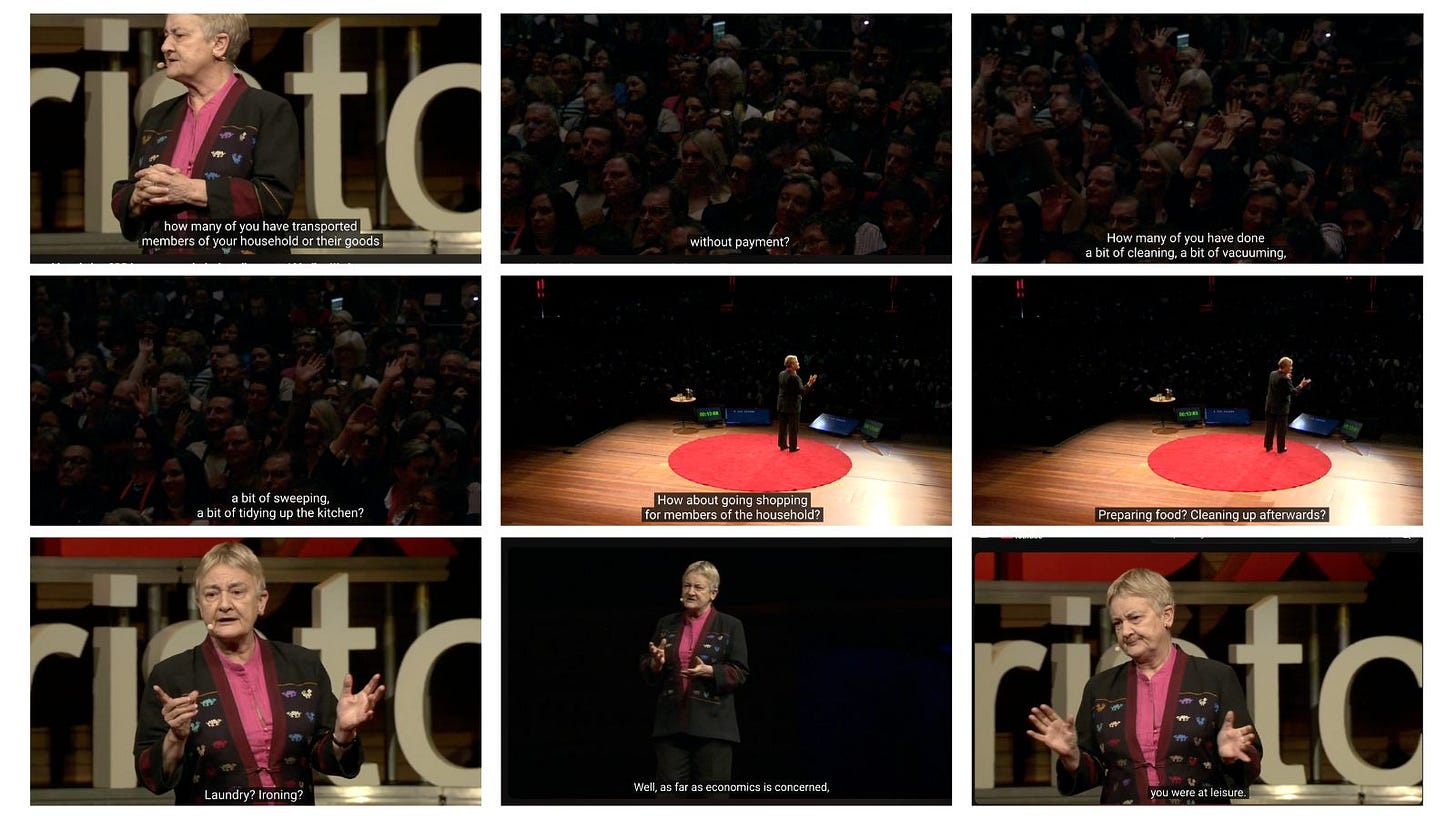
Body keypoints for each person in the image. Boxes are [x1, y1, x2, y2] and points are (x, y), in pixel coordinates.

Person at [134, 542, 385, 803]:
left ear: (261, 601)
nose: (224, 605)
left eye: (237, 592)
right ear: (200, 605)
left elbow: (328, 760)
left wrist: (343, 733)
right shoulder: (171, 676)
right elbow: (150, 777)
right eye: (211, 594)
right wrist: (175, 739)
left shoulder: (302, 666)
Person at [1026, 568, 1262, 805]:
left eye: (1135, 618)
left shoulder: (1216, 678)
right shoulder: (1100, 688)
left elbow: (1244, 774)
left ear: (1167, 616)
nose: (1126, 631)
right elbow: (1093, 770)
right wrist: (1072, 757)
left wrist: (1233, 758)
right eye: (1118, 623)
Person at [111, 15, 299, 253]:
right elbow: (127, 193)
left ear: (219, 44)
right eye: (166, 36)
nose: (165, 46)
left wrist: (189, 190)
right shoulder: (157, 117)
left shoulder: (267, 110)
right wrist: (137, 197)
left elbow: (274, 198)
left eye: (179, 35)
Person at [640, 560, 749, 786]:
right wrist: (656, 663)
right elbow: (647, 666)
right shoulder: (666, 623)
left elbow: (739, 672)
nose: (690, 592)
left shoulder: (730, 625)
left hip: (713, 728)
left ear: (713, 593)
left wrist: (709, 671)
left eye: (698, 587)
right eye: (686, 586)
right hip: (670, 725)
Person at [1264, 356, 1311, 453]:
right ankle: (1280, 448)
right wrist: (1301, 385)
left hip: (1270, 405)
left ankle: (1268, 446)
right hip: (1281, 408)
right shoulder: (1285, 379)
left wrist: (1286, 376)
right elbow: (1294, 392)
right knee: (1281, 430)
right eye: (1290, 366)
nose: (1291, 368)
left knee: (1269, 427)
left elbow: (1279, 384)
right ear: (1284, 366)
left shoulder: (1272, 374)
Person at [776, 354, 817, 452]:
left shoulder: (781, 374)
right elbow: (802, 391)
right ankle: (793, 447)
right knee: (793, 428)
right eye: (796, 362)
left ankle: (782, 445)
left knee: (782, 427)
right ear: (791, 364)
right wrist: (809, 383)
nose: (798, 363)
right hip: (792, 406)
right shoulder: (795, 377)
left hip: (781, 404)